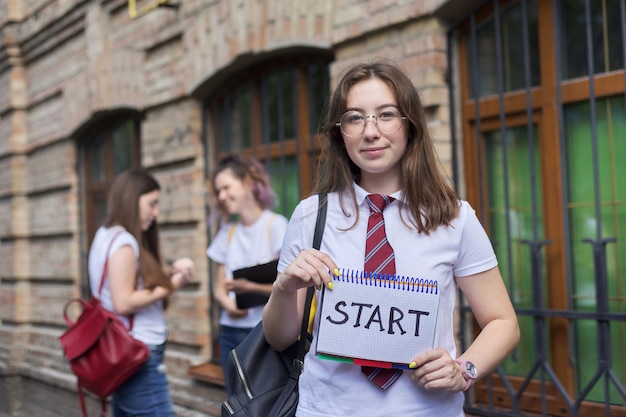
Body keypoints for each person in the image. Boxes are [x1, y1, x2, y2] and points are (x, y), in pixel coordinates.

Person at [262, 61, 520, 416]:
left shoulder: (455, 217)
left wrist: (465, 370)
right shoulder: (311, 216)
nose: (371, 131)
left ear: (410, 125)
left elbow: (502, 322)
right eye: (355, 117)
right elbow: (280, 338)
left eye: (386, 115)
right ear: (341, 132)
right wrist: (284, 287)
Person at [88, 168, 195, 417]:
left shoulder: (104, 235)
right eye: (152, 204)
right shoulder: (125, 242)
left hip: (122, 352)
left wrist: (167, 274)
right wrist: (173, 285)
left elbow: (121, 286)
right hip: (138, 354)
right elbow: (124, 301)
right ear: (132, 198)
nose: (156, 213)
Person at [206, 154, 288, 390]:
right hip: (230, 332)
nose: (222, 196)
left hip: (263, 331)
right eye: (218, 191)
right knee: (234, 401)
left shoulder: (275, 226)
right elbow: (219, 288)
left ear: (249, 183)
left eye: (226, 188)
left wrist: (249, 289)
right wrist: (228, 303)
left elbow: (287, 287)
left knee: (263, 401)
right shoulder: (227, 232)